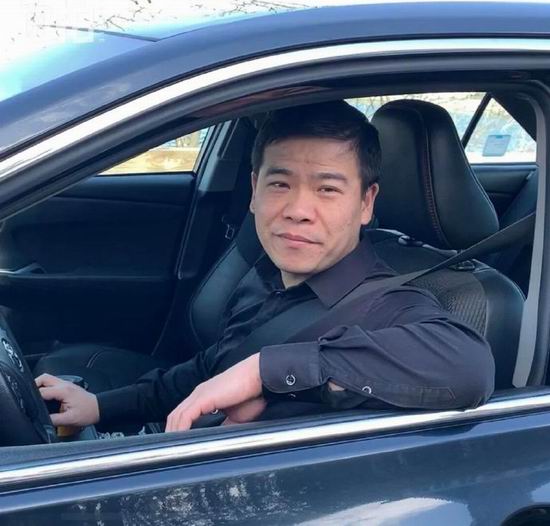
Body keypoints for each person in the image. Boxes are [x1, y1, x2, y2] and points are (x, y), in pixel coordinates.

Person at [35, 101, 495, 433]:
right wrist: (101, 407)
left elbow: (468, 366)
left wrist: (264, 371)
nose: (297, 210)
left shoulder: (388, 305)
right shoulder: (265, 273)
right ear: (254, 190)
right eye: (280, 184)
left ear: (365, 203)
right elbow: (211, 368)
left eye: (328, 189)